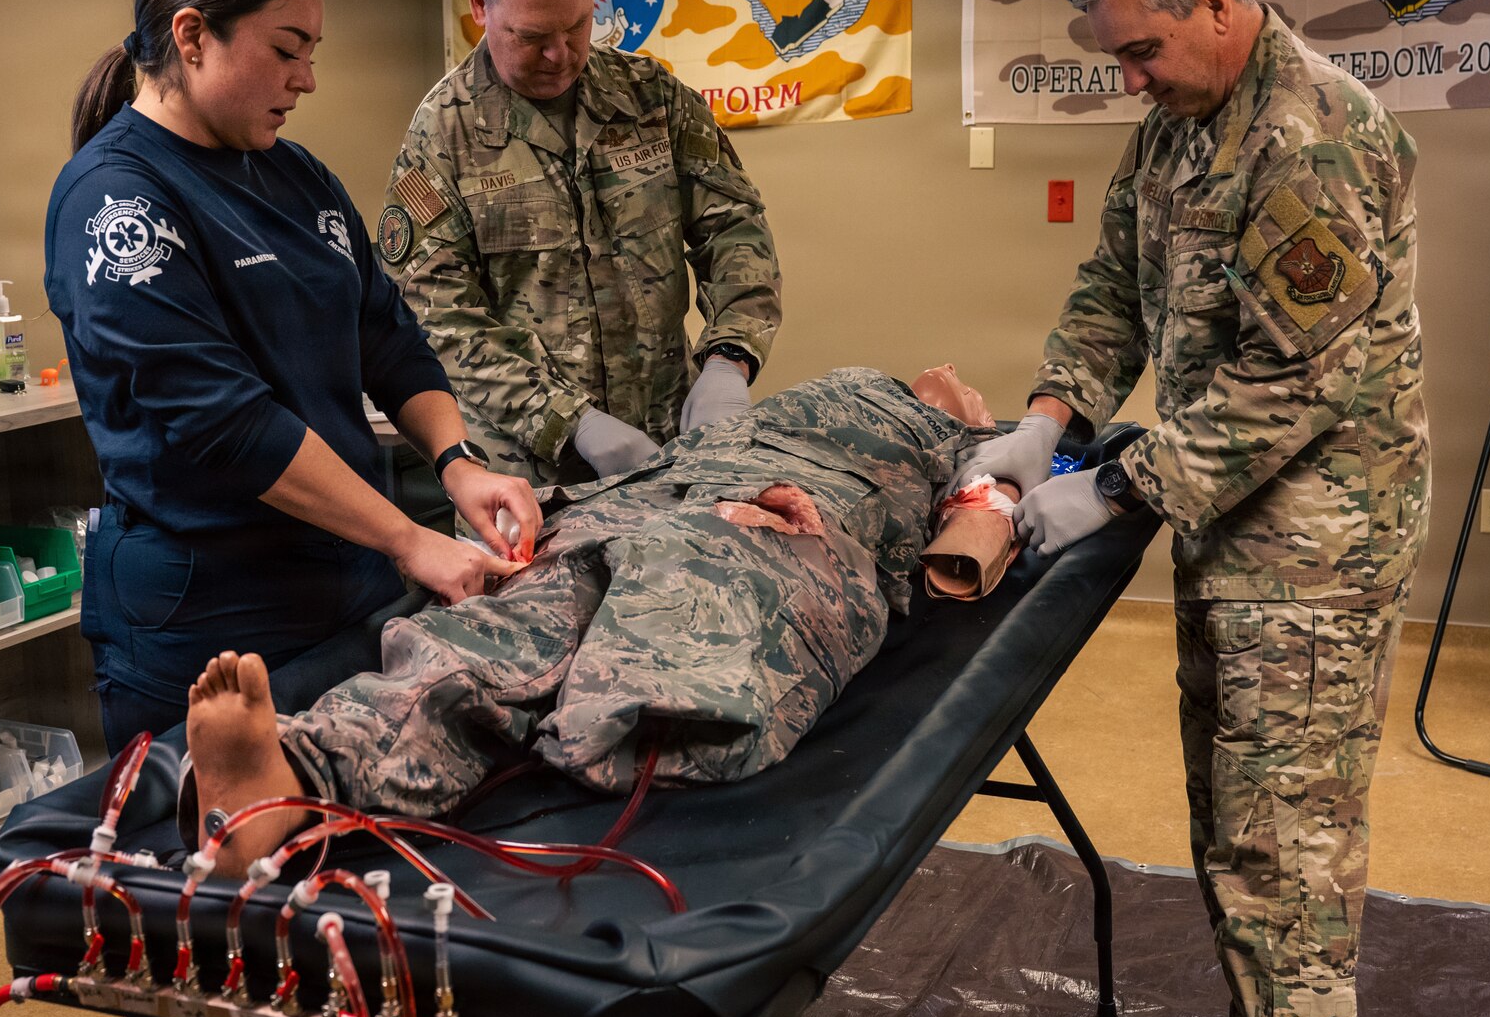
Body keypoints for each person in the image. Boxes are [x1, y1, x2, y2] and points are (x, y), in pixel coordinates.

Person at [950, 0, 1429, 1017]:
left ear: (1215, 4)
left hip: (1314, 547)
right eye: (1117, 56)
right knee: (1229, 810)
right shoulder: (1180, 122)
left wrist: (1112, 485)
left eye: (1141, 51)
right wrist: (1047, 417)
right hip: (1231, 528)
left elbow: (1296, 382)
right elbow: (1113, 280)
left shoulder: (1309, 136)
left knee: (1286, 831)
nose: (1128, 76)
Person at [177, 365, 1007, 873]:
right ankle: (288, 784)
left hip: (789, 525)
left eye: (956, 386)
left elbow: (973, 542)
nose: (944, 375)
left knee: (701, 608)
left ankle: (610, 716)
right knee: (502, 622)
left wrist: (989, 479)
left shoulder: (962, 446)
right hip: (652, 494)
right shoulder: (820, 395)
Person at [46, 0, 542, 759]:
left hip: (344, 596)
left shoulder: (295, 173)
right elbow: (227, 424)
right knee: (233, 868)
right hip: (210, 627)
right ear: (193, 35)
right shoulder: (116, 202)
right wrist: (409, 537)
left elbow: (385, 335)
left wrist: (458, 465)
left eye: (313, 50)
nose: (307, 78)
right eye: (287, 49)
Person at [380, 0, 781, 488]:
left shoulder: (654, 101)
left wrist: (730, 357)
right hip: (528, 479)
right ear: (479, 4)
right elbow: (440, 318)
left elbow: (735, 229)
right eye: (533, 36)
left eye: (577, 26)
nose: (560, 55)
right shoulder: (443, 133)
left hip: (670, 451)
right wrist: (572, 422)